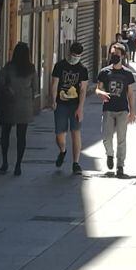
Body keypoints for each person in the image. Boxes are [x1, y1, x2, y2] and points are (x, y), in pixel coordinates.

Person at [0, 42, 39, 176]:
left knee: (5, 134)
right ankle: (18, 165)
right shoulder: (31, 69)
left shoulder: (8, 67)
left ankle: (4, 162)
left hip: (9, 104)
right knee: (21, 136)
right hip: (24, 106)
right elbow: (35, 88)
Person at [96, 44, 136, 178]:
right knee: (106, 138)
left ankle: (120, 165)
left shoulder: (127, 74)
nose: (114, 56)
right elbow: (98, 88)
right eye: (112, 53)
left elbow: (130, 93)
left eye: (117, 54)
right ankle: (109, 154)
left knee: (121, 139)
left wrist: (132, 111)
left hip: (122, 110)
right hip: (108, 109)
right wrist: (100, 93)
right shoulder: (104, 72)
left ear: (123, 56)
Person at [49, 41, 88, 174]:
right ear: (69, 53)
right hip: (60, 104)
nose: (75, 57)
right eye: (73, 54)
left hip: (75, 105)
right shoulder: (60, 66)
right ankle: (62, 150)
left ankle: (76, 163)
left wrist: (80, 108)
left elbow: (83, 89)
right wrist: (53, 100)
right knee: (60, 134)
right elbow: (54, 83)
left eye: (78, 55)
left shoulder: (82, 69)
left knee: (75, 132)